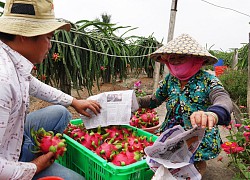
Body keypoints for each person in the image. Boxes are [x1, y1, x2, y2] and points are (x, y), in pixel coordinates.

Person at [0, 0, 101, 179]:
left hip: (11, 138)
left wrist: (74, 101)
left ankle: (26, 150)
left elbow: (34, 85)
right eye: (48, 37)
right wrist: (35, 166)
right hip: (6, 166)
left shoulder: (11, 59)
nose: (50, 45)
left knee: (61, 112)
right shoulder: (3, 81)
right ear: (24, 34)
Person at [137, 34, 233, 175]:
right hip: (172, 133)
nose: (175, 62)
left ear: (196, 59)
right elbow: (154, 100)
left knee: (195, 165)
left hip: (198, 137)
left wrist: (213, 113)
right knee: (170, 167)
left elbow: (222, 98)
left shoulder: (208, 80)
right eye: (172, 58)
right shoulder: (170, 80)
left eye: (181, 57)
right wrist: (134, 102)